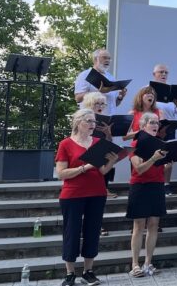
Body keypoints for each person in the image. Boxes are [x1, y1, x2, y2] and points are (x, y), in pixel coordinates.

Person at [55, 108, 119, 286]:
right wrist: (84, 167)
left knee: (93, 231)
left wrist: (112, 161)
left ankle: (88, 271)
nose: (93, 125)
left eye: (94, 122)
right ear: (78, 122)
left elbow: (103, 171)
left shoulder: (98, 142)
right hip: (72, 194)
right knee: (72, 232)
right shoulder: (66, 144)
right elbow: (61, 174)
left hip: (97, 193)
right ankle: (70, 274)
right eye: (89, 121)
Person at [126, 112, 168, 278]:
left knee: (153, 224)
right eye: (151, 122)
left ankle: (148, 262)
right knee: (139, 225)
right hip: (140, 186)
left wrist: (167, 158)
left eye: (157, 122)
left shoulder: (161, 144)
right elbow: (139, 169)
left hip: (157, 185)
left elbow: (161, 167)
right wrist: (153, 158)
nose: (155, 124)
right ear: (143, 126)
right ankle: (135, 264)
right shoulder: (135, 143)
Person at [151, 64, 177, 195]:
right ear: (154, 74)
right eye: (161, 72)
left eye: (166, 72)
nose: (164, 74)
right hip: (154, 128)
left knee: (168, 158)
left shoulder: (171, 91)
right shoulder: (148, 89)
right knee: (154, 156)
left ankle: (166, 184)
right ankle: (155, 183)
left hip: (170, 128)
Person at [81, 92, 116, 200]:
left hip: (101, 149)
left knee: (108, 154)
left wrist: (108, 133)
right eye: (97, 103)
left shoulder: (104, 120)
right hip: (86, 148)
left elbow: (109, 141)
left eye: (102, 104)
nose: (100, 106)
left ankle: (104, 188)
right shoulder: (83, 118)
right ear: (90, 104)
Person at [74, 48, 127, 115]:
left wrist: (120, 97)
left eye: (109, 58)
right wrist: (98, 91)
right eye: (104, 58)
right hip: (91, 119)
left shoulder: (111, 78)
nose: (107, 60)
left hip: (109, 121)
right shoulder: (85, 75)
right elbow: (78, 98)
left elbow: (114, 104)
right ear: (95, 59)